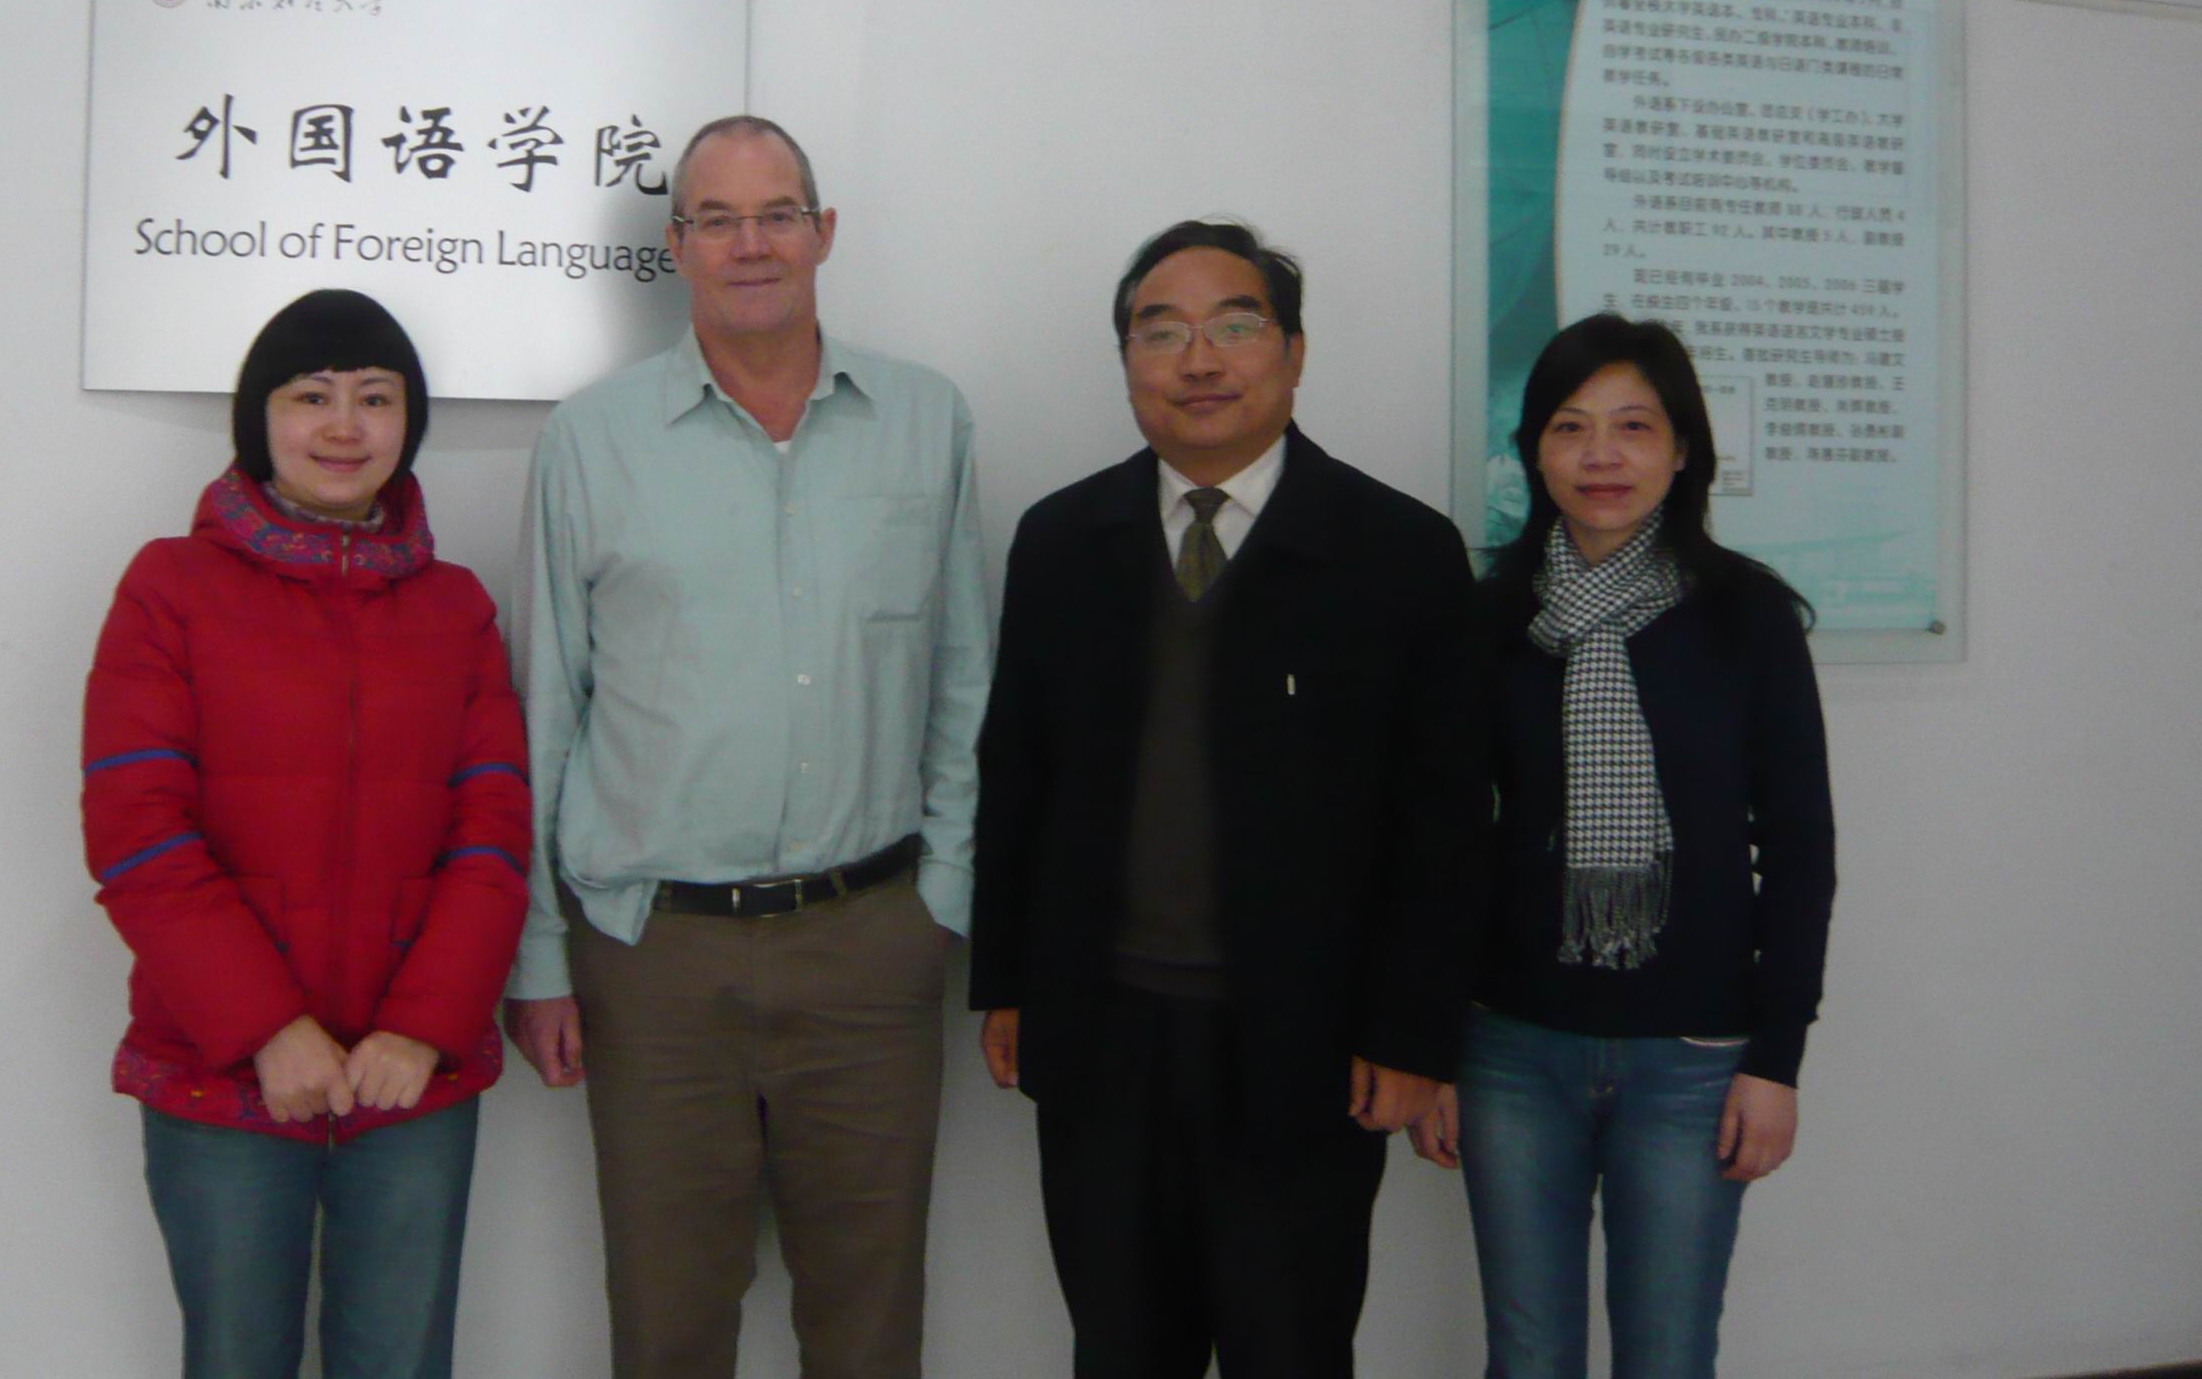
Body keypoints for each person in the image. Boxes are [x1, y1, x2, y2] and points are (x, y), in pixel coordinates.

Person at [502, 115, 992, 1379]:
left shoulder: (924, 420)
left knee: (869, 1327)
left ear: (824, 232)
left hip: (869, 943)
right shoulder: (592, 439)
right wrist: (541, 954)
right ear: (675, 247)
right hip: (655, 957)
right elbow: (547, 706)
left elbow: (962, 677)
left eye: (777, 214)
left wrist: (941, 895)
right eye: (716, 220)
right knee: (668, 1328)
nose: (751, 244)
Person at [968, 219, 1480, 1379]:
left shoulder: (1398, 552)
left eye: (1235, 327)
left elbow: (1444, 824)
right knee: (1119, 1349)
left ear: (1293, 353)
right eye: (1161, 333)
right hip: (1102, 1034)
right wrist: (1006, 981)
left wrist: (1412, 1033)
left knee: (1287, 1348)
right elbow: (1018, 776)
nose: (1198, 361)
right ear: (1127, 362)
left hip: (1304, 1046)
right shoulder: (1061, 541)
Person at [81, 288, 532, 1379]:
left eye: (375, 398)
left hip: (410, 1081)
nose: (344, 426)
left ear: (408, 423)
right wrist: (266, 1029)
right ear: (260, 419)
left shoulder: (457, 607)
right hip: (223, 1071)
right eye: (310, 396)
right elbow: (138, 835)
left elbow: (493, 838)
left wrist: (420, 1029)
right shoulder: (169, 589)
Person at [1408, 312, 1836, 1379]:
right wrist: (1431, 1047)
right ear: (1534, 452)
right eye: (1570, 427)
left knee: (1668, 1355)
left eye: (1634, 426)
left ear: (1682, 449)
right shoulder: (1490, 621)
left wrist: (1775, 1061)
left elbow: (1798, 850)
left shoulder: (1746, 618)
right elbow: (1447, 847)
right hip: (1511, 1050)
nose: (1601, 455)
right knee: (1528, 1355)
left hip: (1692, 1059)